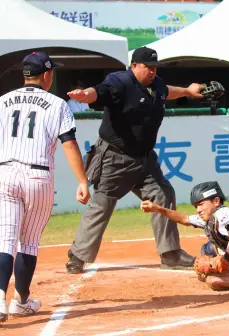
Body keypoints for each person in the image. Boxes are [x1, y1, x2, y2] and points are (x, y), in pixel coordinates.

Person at [65, 46, 205, 274]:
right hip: (115, 158)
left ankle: (170, 254)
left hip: (146, 159)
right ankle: (78, 256)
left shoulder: (157, 84)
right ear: (134, 66)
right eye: (147, 67)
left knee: (163, 194)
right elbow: (99, 92)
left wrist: (188, 91)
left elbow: (167, 91)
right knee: (102, 203)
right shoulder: (120, 82)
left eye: (154, 67)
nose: (152, 71)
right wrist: (85, 95)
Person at [0, 51, 90, 322]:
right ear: (47, 74)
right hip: (37, 177)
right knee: (28, 242)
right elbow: (69, 143)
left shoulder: (3, 101)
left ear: (25, 74)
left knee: (5, 239)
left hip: (4, 172)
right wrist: (83, 181)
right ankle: (22, 301)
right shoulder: (56, 103)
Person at [140, 181, 229, 290]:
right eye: (196, 206)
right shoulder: (211, 217)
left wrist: (226, 259)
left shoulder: (222, 213)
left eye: (201, 204)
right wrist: (157, 208)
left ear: (216, 201)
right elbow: (184, 219)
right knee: (208, 249)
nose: (198, 210)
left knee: (212, 281)